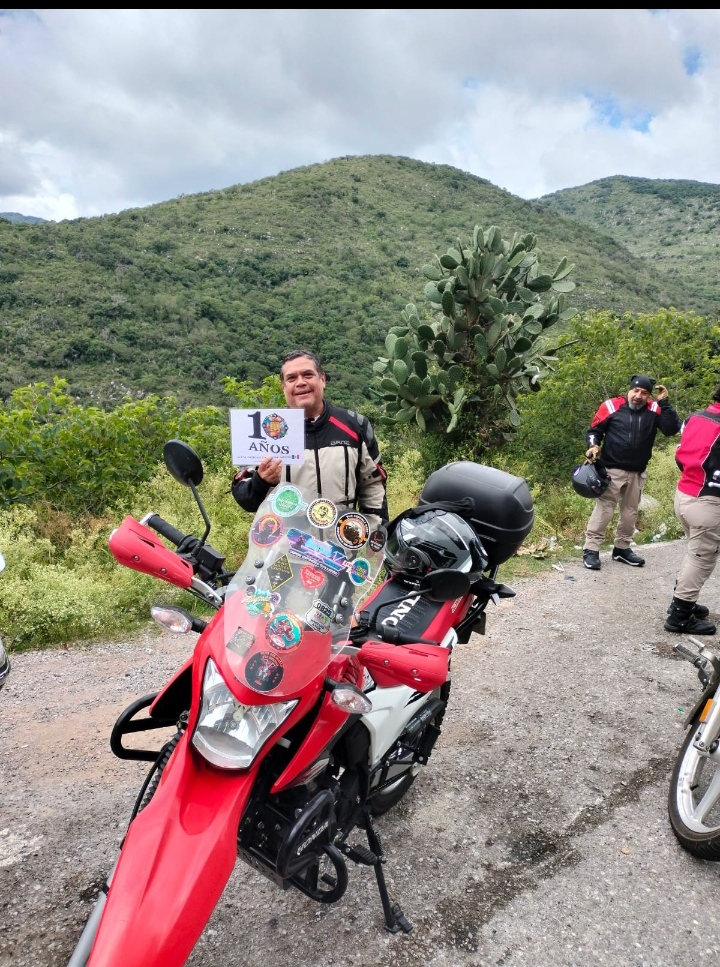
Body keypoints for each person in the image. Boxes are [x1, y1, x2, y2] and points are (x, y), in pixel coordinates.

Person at [232, 349, 388, 525]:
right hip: (287, 547)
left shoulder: (355, 425)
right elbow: (245, 499)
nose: (300, 382)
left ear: (322, 380)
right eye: (291, 378)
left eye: (308, 375)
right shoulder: (262, 431)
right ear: (283, 387)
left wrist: (375, 536)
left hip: (345, 544)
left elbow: (373, 485)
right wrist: (261, 481)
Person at [582, 374, 681, 570]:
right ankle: (591, 550)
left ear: (649, 395)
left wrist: (665, 404)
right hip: (612, 469)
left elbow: (671, 429)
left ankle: (622, 549)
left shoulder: (654, 408)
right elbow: (594, 431)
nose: (638, 396)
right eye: (636, 391)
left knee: (630, 512)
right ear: (630, 389)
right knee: (604, 509)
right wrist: (593, 446)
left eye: (644, 393)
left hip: (637, 471)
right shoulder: (612, 406)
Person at [664, 387, 720, 635]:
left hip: (685, 494)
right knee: (702, 559)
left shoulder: (695, 418)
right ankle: (680, 615)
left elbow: (680, 456)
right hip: (708, 503)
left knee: (694, 554)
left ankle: (685, 599)